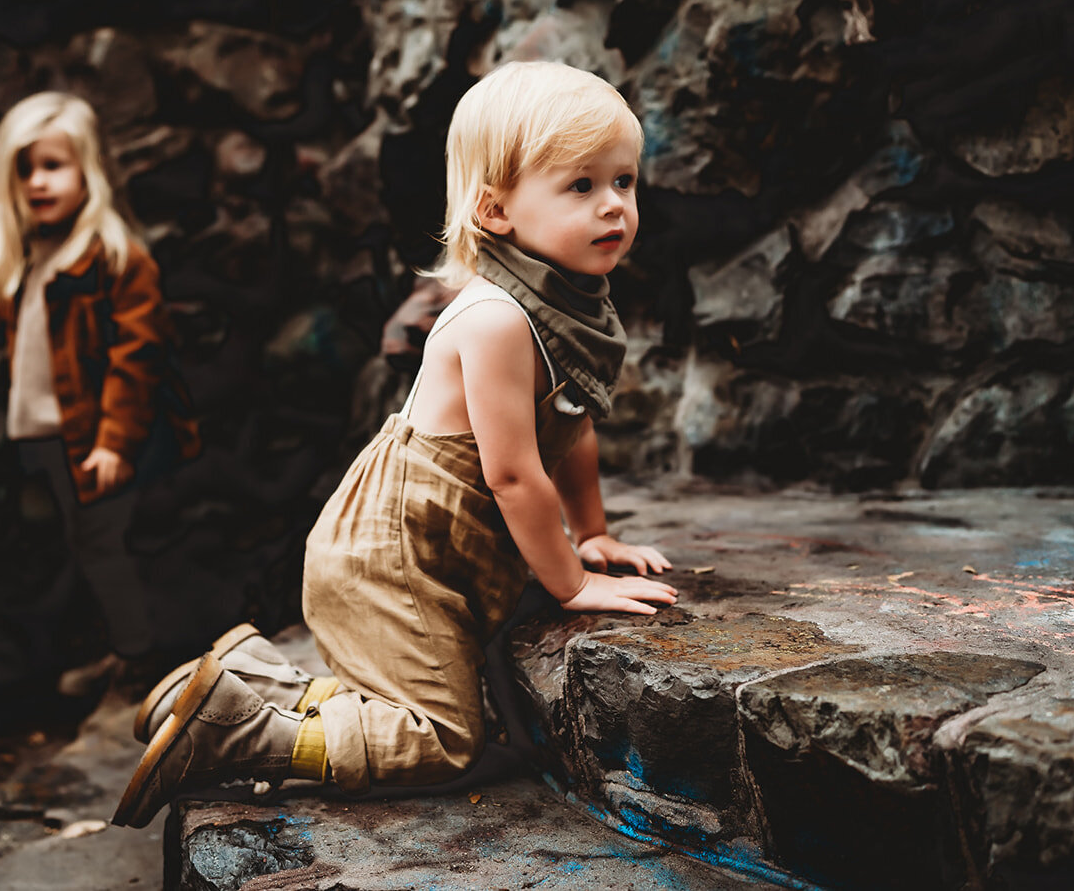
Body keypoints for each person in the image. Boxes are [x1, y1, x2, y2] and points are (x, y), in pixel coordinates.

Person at [112, 60, 675, 829]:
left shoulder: (568, 306)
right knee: (442, 740)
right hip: (393, 560)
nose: (614, 206)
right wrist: (572, 582)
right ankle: (242, 735)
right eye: (581, 187)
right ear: (497, 211)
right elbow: (513, 475)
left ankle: (250, 683)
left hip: (420, 550)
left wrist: (596, 531)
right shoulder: (498, 318)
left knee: (430, 704)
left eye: (625, 182)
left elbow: (570, 427)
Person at [0, 91, 200, 695]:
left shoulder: (113, 260)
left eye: (52, 165)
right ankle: (121, 647)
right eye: (23, 170)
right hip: (48, 436)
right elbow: (20, 329)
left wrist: (113, 442)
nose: (37, 183)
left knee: (106, 545)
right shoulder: (36, 258)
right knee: (76, 546)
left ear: (88, 171)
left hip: (90, 436)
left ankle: (139, 657)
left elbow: (136, 358)